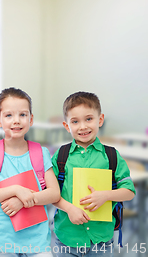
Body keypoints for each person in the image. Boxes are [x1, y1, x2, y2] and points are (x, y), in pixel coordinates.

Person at [0, 87, 60, 257]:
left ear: (31, 119)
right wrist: (16, 190)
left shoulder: (41, 153)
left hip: (37, 241)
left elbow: (54, 193)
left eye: (22, 115)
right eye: (9, 115)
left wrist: (22, 201)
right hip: (2, 240)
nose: (16, 121)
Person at [52, 91, 135, 257]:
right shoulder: (61, 156)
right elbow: (50, 193)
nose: (83, 126)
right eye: (75, 121)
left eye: (89, 119)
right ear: (67, 126)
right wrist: (69, 209)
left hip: (101, 241)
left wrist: (106, 195)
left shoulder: (111, 156)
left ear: (100, 120)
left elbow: (129, 192)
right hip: (67, 238)